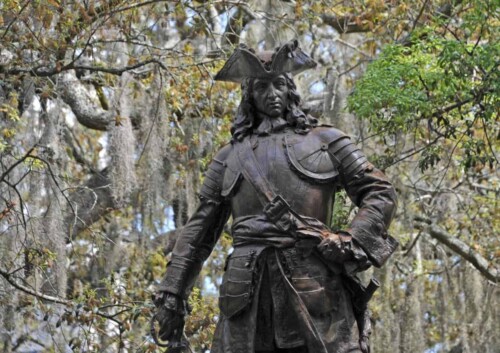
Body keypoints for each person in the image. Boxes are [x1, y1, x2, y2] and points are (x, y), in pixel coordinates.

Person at [152, 40, 398, 353]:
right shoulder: (228, 157)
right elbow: (199, 230)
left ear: (290, 89)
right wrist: (172, 291)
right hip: (245, 294)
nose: (272, 95)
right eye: (261, 88)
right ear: (249, 96)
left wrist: (350, 240)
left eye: (279, 85)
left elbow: (379, 190)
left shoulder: (327, 141)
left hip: (315, 285)